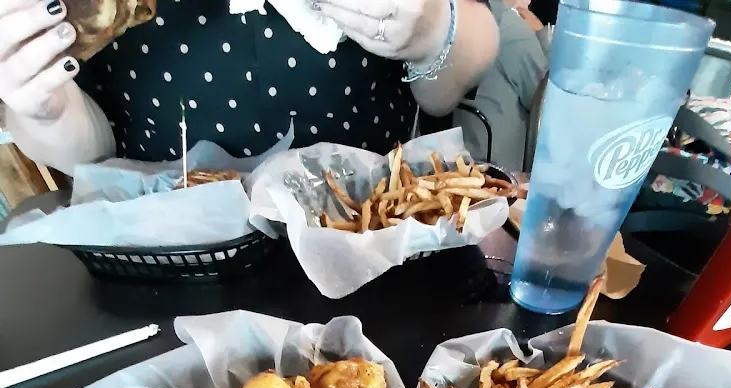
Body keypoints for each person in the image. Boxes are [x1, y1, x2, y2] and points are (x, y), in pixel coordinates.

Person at [0, 0, 499, 174]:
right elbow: (95, 155)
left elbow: (456, 75)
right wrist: (43, 107)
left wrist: (431, 30)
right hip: (160, 263)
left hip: (381, 237)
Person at [456, 0, 549, 170]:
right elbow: (545, 104)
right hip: (499, 175)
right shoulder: (515, 33)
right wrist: (542, 35)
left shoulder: (454, 15)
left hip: (454, 157)